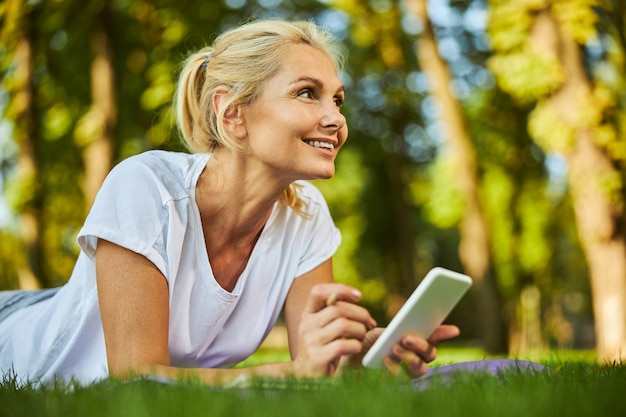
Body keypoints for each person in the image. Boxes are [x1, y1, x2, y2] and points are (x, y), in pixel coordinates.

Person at [0, 18, 461, 386]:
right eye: (307, 93)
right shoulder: (145, 188)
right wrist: (289, 374)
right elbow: (134, 378)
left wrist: (365, 358)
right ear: (232, 113)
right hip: (18, 341)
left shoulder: (307, 213)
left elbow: (316, 372)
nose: (335, 119)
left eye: (337, 100)